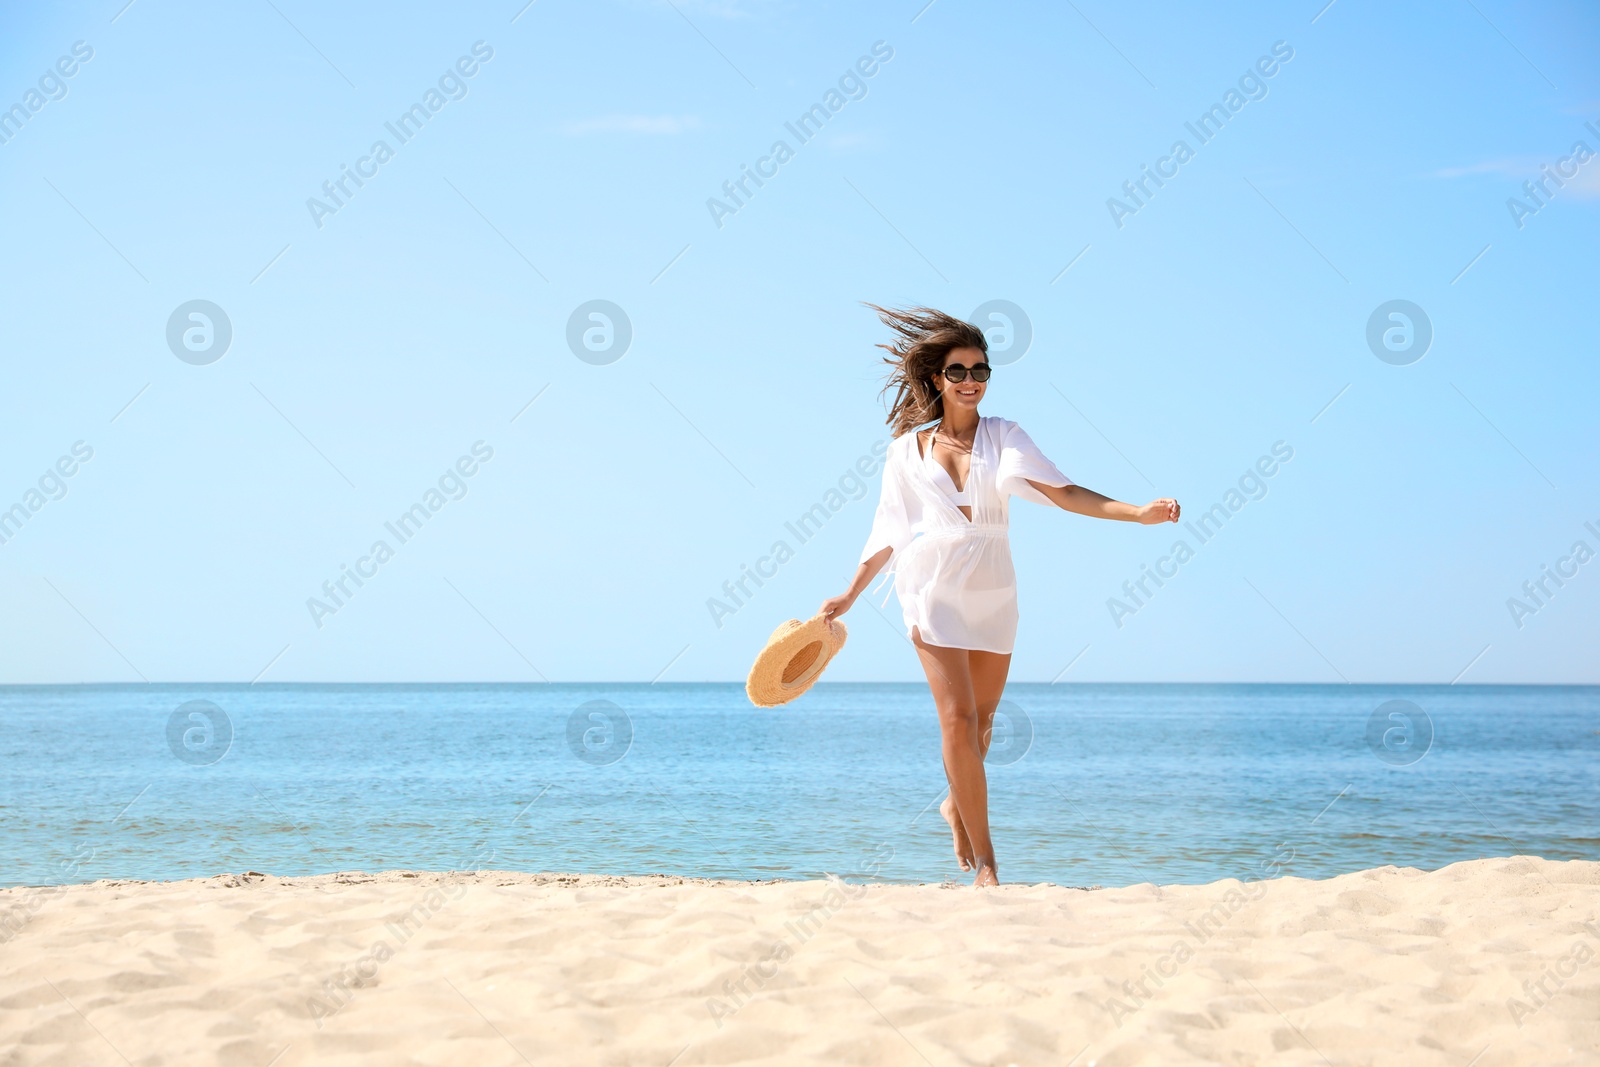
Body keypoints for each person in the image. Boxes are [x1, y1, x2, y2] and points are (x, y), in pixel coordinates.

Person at [819, 305, 1181, 887]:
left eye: (980, 370)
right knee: (957, 720)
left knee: (984, 723)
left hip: (993, 584)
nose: (970, 381)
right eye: (958, 370)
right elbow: (887, 531)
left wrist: (1137, 514)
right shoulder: (904, 452)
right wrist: (851, 592)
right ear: (938, 378)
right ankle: (987, 863)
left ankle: (954, 803)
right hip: (933, 581)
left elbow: (1063, 493)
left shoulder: (1004, 435)